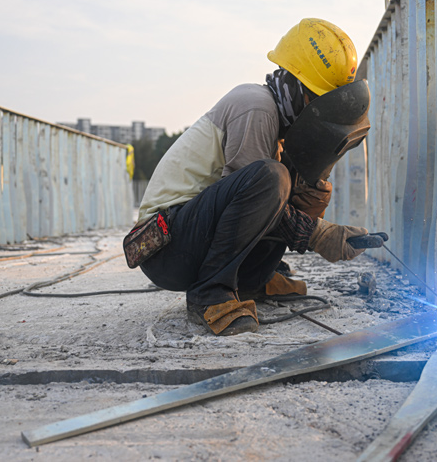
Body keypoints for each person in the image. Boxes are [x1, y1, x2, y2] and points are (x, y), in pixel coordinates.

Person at [134, 18, 369, 336]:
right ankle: (210, 293)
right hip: (166, 248)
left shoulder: (281, 129)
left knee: (292, 183)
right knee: (272, 178)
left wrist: (316, 177)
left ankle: (254, 280)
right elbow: (257, 195)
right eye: (319, 99)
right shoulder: (256, 106)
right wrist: (317, 234)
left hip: (191, 241)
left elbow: (269, 210)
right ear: (298, 85)